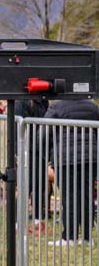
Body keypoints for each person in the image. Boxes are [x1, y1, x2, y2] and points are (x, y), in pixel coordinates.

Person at [43, 99, 99, 245]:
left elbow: (44, 132)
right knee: (87, 196)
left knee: (69, 196)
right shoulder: (93, 107)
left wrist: (47, 154)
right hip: (91, 157)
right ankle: (87, 237)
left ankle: (68, 237)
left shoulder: (57, 106)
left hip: (66, 158)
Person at [15, 98, 50, 235]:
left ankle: (36, 220)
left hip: (40, 149)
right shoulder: (21, 102)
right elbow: (17, 125)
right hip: (26, 148)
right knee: (26, 186)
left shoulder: (43, 101)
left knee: (39, 185)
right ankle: (18, 223)